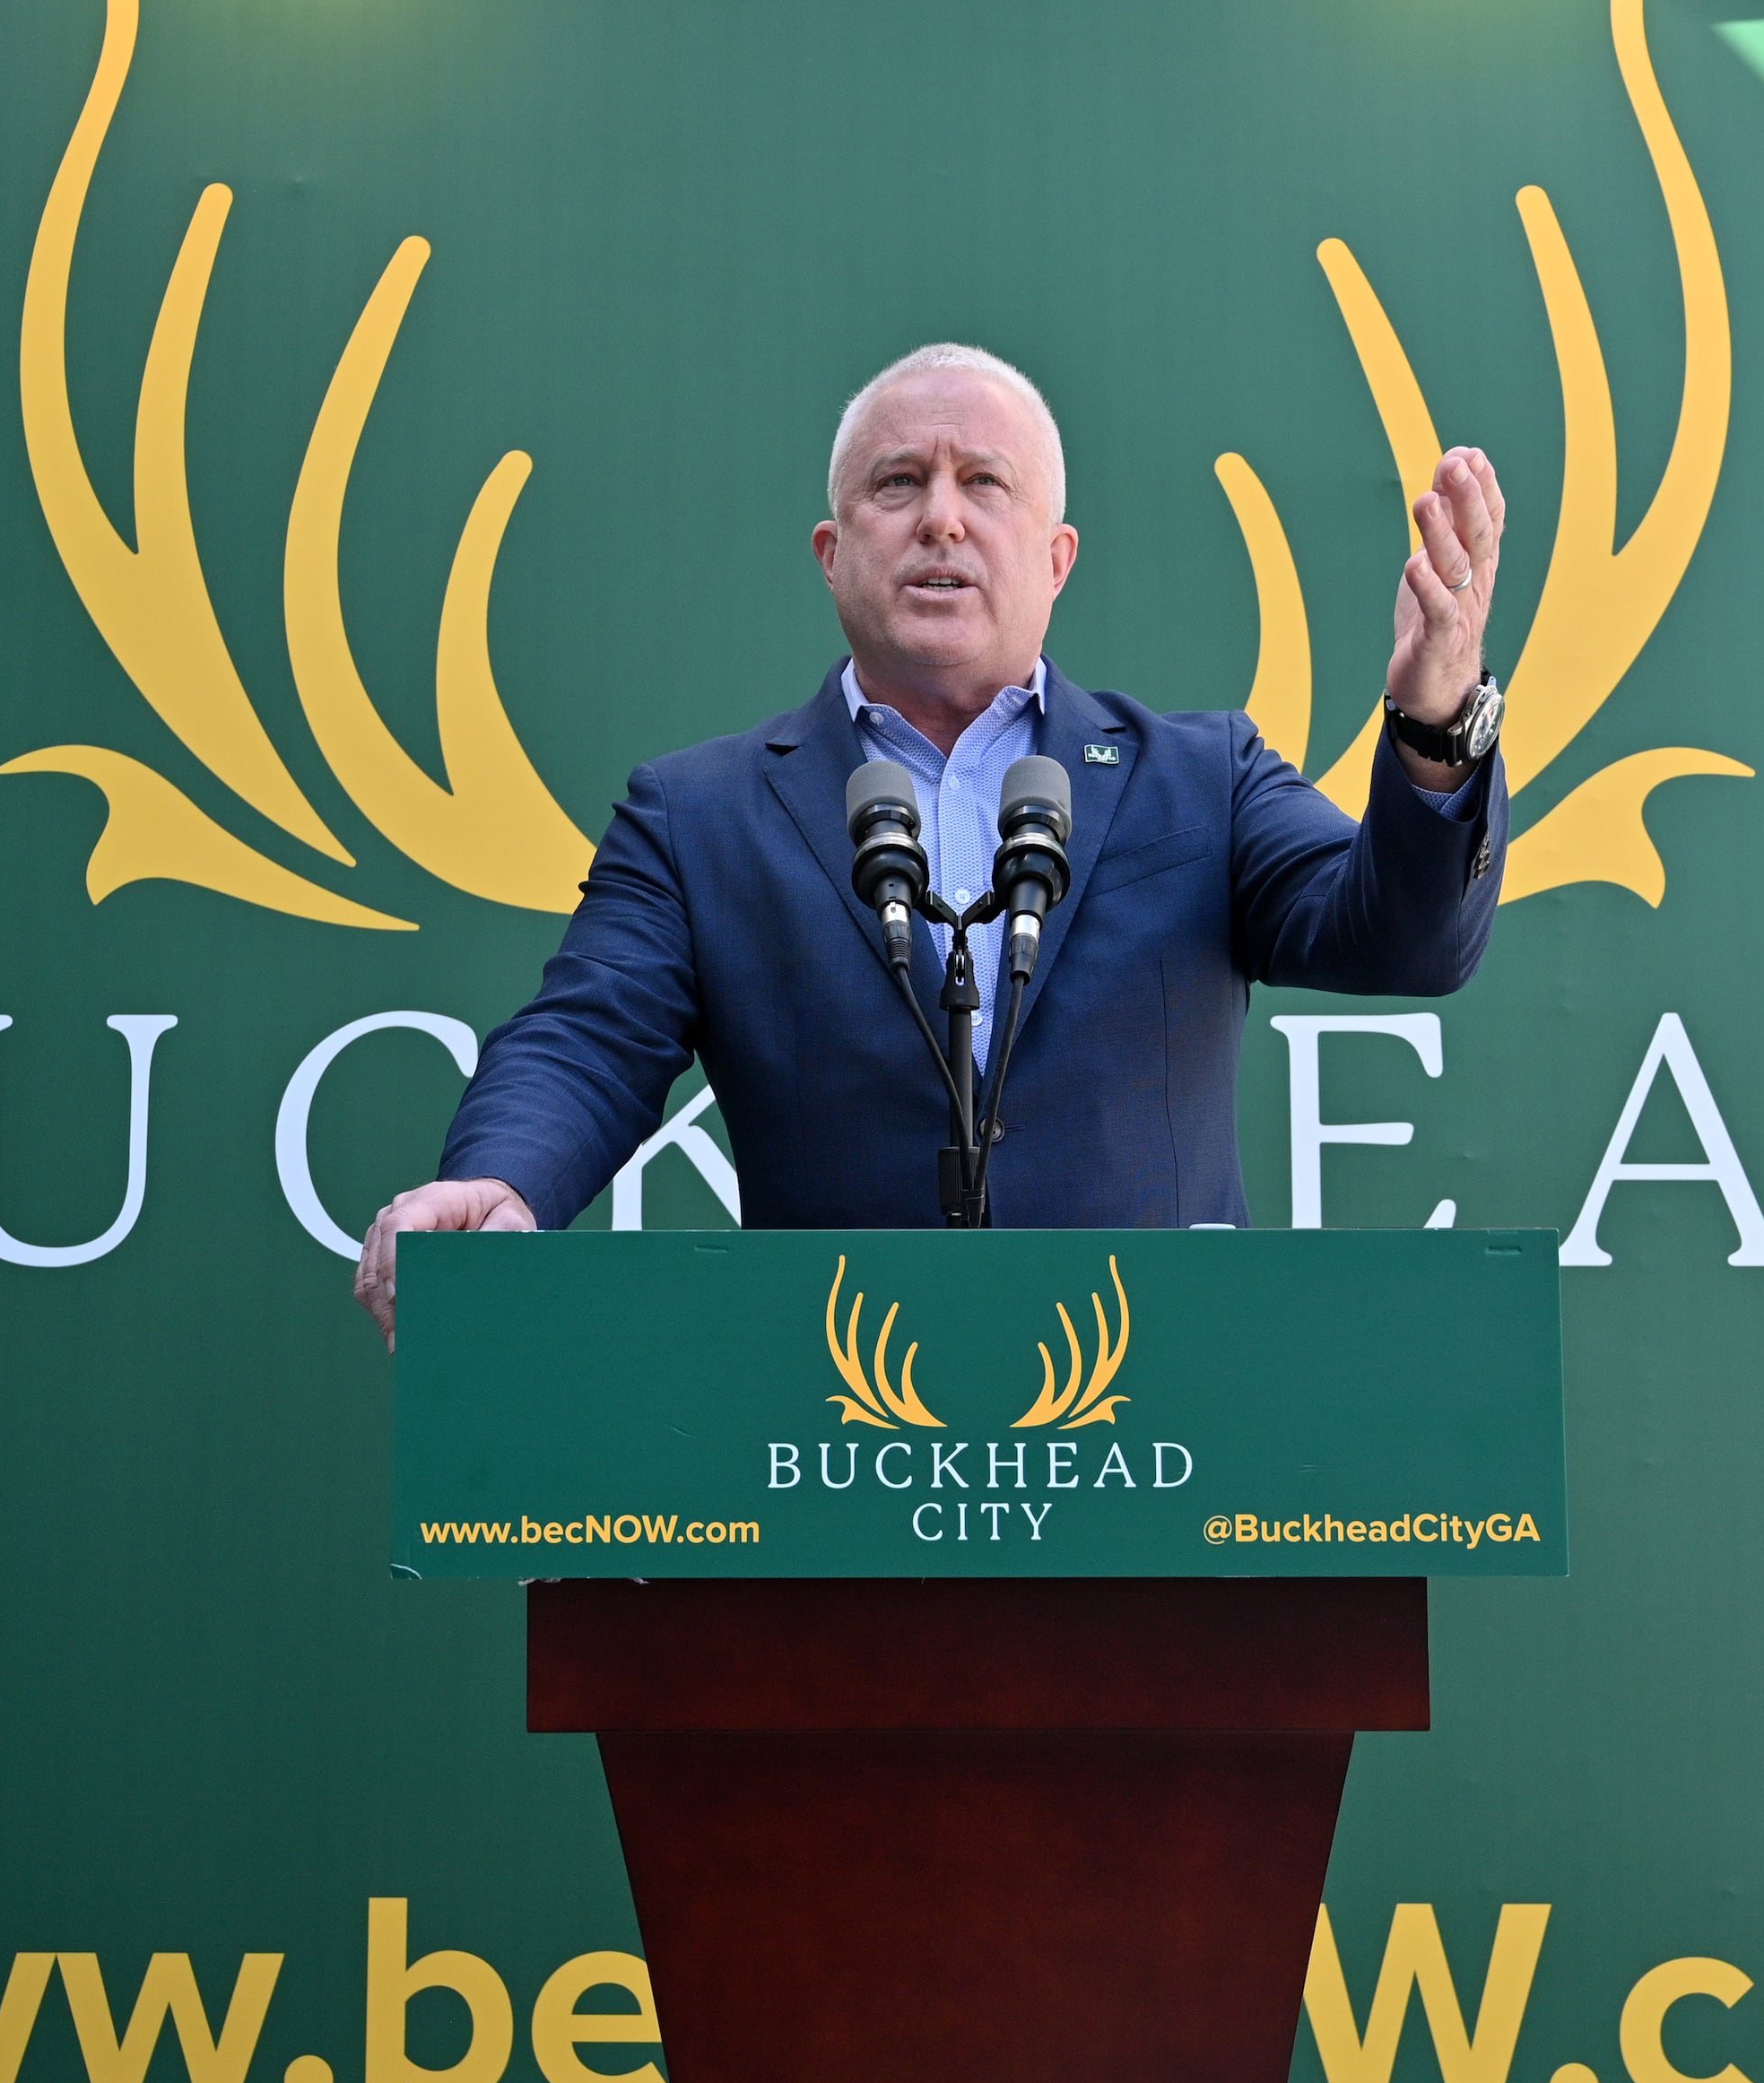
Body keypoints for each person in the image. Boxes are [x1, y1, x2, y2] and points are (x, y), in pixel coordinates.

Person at [354, 343, 1508, 1342]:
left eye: (984, 483)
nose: (941, 517)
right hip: (834, 1437)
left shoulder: (1200, 778)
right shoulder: (698, 816)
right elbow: (585, 1038)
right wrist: (497, 1180)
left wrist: (1435, 727)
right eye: (897, 483)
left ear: (1057, 558)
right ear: (831, 550)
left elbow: (1402, 940)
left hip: (1161, 1442)